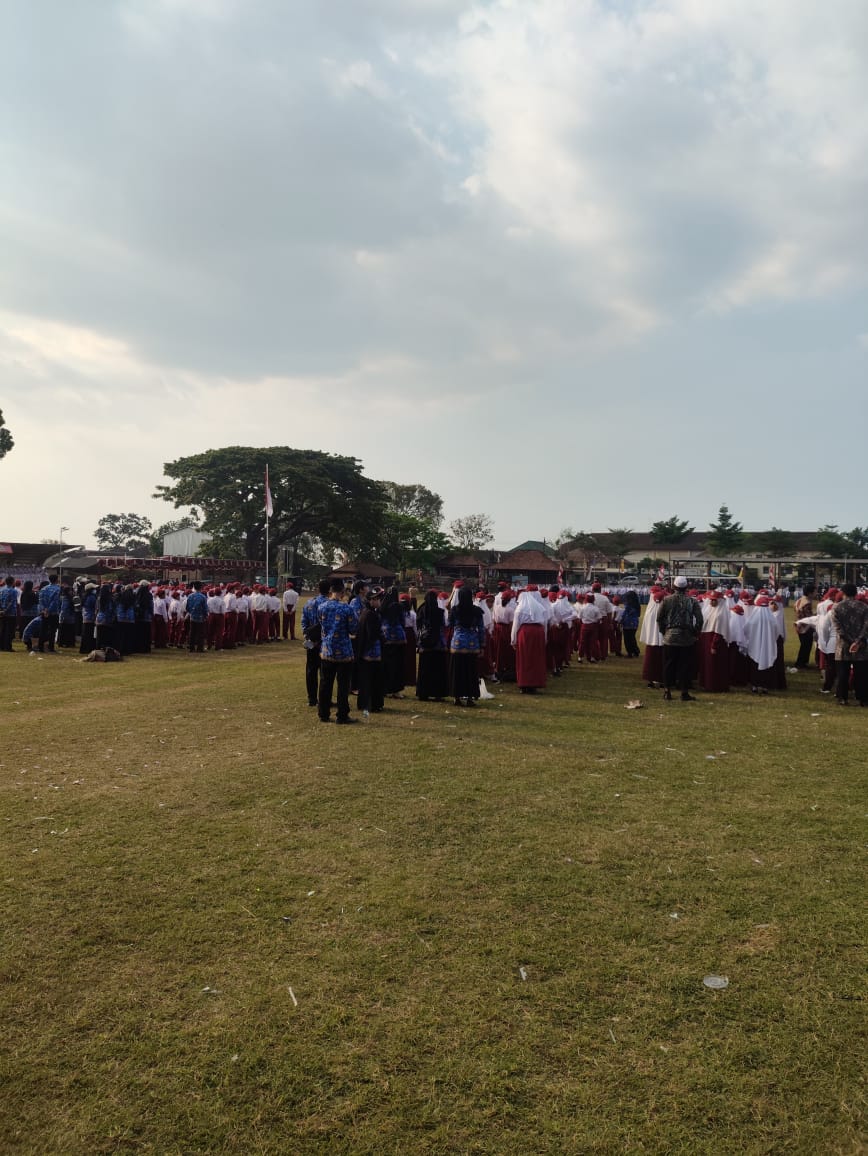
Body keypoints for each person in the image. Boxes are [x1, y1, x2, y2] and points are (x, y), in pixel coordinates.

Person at [317, 578, 359, 724]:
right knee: (343, 686)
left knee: (325, 684)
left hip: (327, 650)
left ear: (330, 591)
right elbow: (354, 628)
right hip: (344, 652)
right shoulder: (347, 608)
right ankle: (342, 715)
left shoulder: (321, 607)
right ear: (342, 592)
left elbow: (322, 624)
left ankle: (323, 713)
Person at [657, 576, 703, 701]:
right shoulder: (692, 601)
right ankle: (684, 692)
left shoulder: (666, 600)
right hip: (686, 637)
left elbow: (659, 618)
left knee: (668, 664)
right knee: (684, 665)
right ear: (686, 587)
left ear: (674, 587)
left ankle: (667, 691)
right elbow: (699, 619)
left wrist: (664, 631)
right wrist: (694, 632)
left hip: (670, 636)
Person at [829, 584, 868, 706]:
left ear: (843, 593)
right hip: (860, 646)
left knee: (842, 673)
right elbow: (866, 626)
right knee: (861, 674)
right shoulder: (864, 607)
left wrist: (850, 641)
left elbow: (838, 628)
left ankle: (842, 697)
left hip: (843, 645)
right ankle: (863, 698)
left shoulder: (836, 607)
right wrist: (857, 641)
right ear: (855, 593)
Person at [448, 584, 486, 706]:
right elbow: (481, 628)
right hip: (472, 643)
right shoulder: (476, 611)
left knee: (457, 671)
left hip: (458, 643)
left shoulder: (455, 610)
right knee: (471, 671)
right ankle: (470, 697)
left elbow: (450, 624)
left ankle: (457, 697)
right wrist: (482, 645)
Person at [510, 588, 548, 694]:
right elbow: (544, 625)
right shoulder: (540, 608)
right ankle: (535, 683)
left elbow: (515, 626)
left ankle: (524, 683)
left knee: (524, 658)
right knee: (536, 658)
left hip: (525, 633)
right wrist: (545, 638)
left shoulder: (520, 608)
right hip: (538, 633)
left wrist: (513, 640)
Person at [415, 590, 449, 701]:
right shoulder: (440, 612)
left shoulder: (421, 610)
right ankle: (437, 693)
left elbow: (418, 627)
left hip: (425, 645)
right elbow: (443, 627)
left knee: (424, 670)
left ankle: (423, 693)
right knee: (437, 670)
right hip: (437, 645)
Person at [355, 589, 384, 716]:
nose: (379, 601)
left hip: (365, 651)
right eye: (377, 599)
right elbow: (373, 634)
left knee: (366, 679)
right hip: (371, 652)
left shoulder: (365, 612)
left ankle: (365, 703)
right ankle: (373, 704)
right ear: (371, 601)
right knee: (373, 679)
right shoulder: (371, 615)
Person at [302, 579, 330, 706]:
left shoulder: (309, 603)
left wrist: (308, 636)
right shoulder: (329, 604)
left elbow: (304, 623)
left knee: (311, 670)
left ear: (318, 589)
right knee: (325, 673)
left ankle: (312, 699)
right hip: (325, 642)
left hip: (311, 641)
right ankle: (324, 699)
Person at [793, 583, 816, 668]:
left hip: (798, 624)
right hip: (805, 627)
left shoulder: (799, 600)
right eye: (814, 592)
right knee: (806, 646)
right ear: (810, 593)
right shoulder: (807, 603)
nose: (816, 593)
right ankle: (801, 663)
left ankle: (800, 662)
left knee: (803, 645)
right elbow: (809, 616)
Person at [37, 574, 62, 652]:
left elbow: (40, 601)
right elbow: (54, 602)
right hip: (53, 612)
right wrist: (48, 610)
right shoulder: (58, 589)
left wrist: (44, 610)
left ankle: (40, 647)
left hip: (44, 612)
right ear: (56, 579)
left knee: (43, 629)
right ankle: (51, 647)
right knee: (52, 630)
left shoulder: (44, 589)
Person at [185, 581, 208, 653]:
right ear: (201, 588)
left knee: (192, 632)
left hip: (192, 616)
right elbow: (205, 608)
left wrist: (191, 612)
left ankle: (191, 648)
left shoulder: (190, 596)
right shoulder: (203, 597)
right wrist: (205, 615)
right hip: (200, 617)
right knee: (200, 633)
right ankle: (199, 648)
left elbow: (187, 607)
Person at [620, 590, 641, 658]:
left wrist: (621, 621)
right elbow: (638, 614)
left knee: (627, 639)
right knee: (632, 638)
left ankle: (630, 653)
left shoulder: (628, 605)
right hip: (634, 623)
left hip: (627, 623)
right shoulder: (637, 605)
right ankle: (635, 651)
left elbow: (624, 614)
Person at [0, 576, 18, 651]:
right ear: (12, 582)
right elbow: (12, 602)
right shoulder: (13, 591)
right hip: (11, 613)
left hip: (2, 613)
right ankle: (8, 646)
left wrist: (2, 610)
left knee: (2, 630)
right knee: (10, 631)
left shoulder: (2, 590)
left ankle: (2, 646)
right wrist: (6, 610)